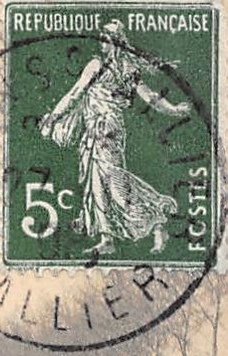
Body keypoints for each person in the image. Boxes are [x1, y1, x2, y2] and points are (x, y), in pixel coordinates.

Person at [38, 21, 191, 255]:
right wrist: (173, 109)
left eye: (105, 38)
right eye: (101, 37)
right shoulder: (121, 67)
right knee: (97, 183)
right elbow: (149, 98)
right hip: (98, 130)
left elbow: (76, 94)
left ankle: (157, 218)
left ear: (116, 41)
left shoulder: (104, 66)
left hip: (105, 130)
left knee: (115, 185)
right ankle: (106, 238)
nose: (101, 42)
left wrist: (53, 116)